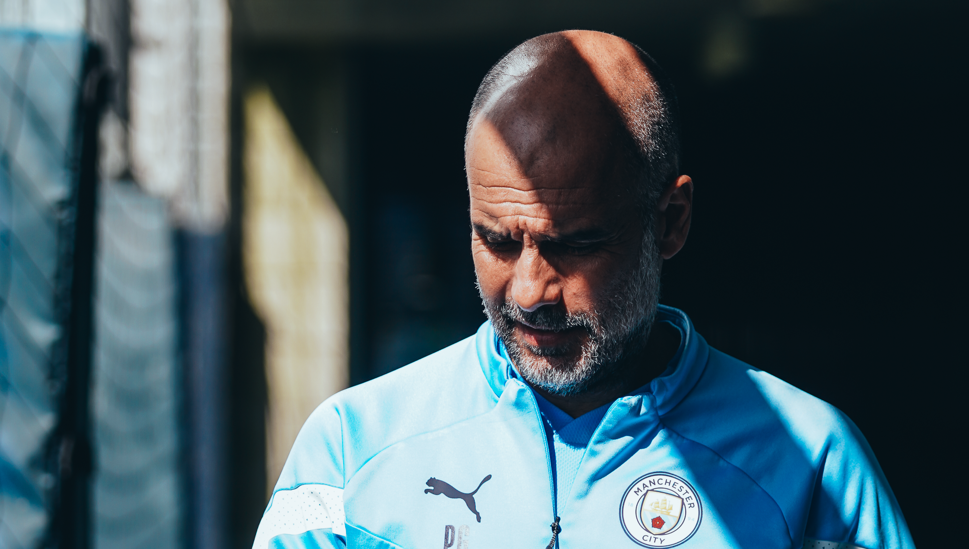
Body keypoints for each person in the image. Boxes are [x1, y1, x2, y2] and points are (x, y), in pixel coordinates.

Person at [252, 31, 914, 549]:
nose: (532, 288)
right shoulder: (349, 449)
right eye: (499, 240)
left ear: (671, 221)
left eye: (576, 243)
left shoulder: (813, 465)